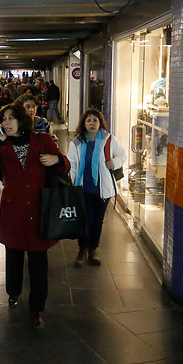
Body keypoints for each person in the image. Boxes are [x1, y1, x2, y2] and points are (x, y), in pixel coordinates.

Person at [0, 103, 69, 328]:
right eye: (3, 119)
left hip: (40, 209)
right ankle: (13, 292)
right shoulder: (2, 144)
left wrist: (56, 160)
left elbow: (65, 165)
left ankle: (36, 308)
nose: (6, 123)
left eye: (10, 118)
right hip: (14, 209)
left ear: (21, 120)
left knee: (39, 262)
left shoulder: (42, 140)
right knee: (14, 256)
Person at [67, 109, 127, 267]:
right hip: (83, 188)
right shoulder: (77, 142)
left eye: (95, 120)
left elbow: (122, 155)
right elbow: (71, 164)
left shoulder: (109, 140)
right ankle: (83, 249)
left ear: (100, 123)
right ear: (83, 123)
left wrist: (114, 162)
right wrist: (71, 183)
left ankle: (93, 249)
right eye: (88, 120)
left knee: (97, 221)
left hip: (103, 189)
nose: (91, 123)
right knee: (85, 220)